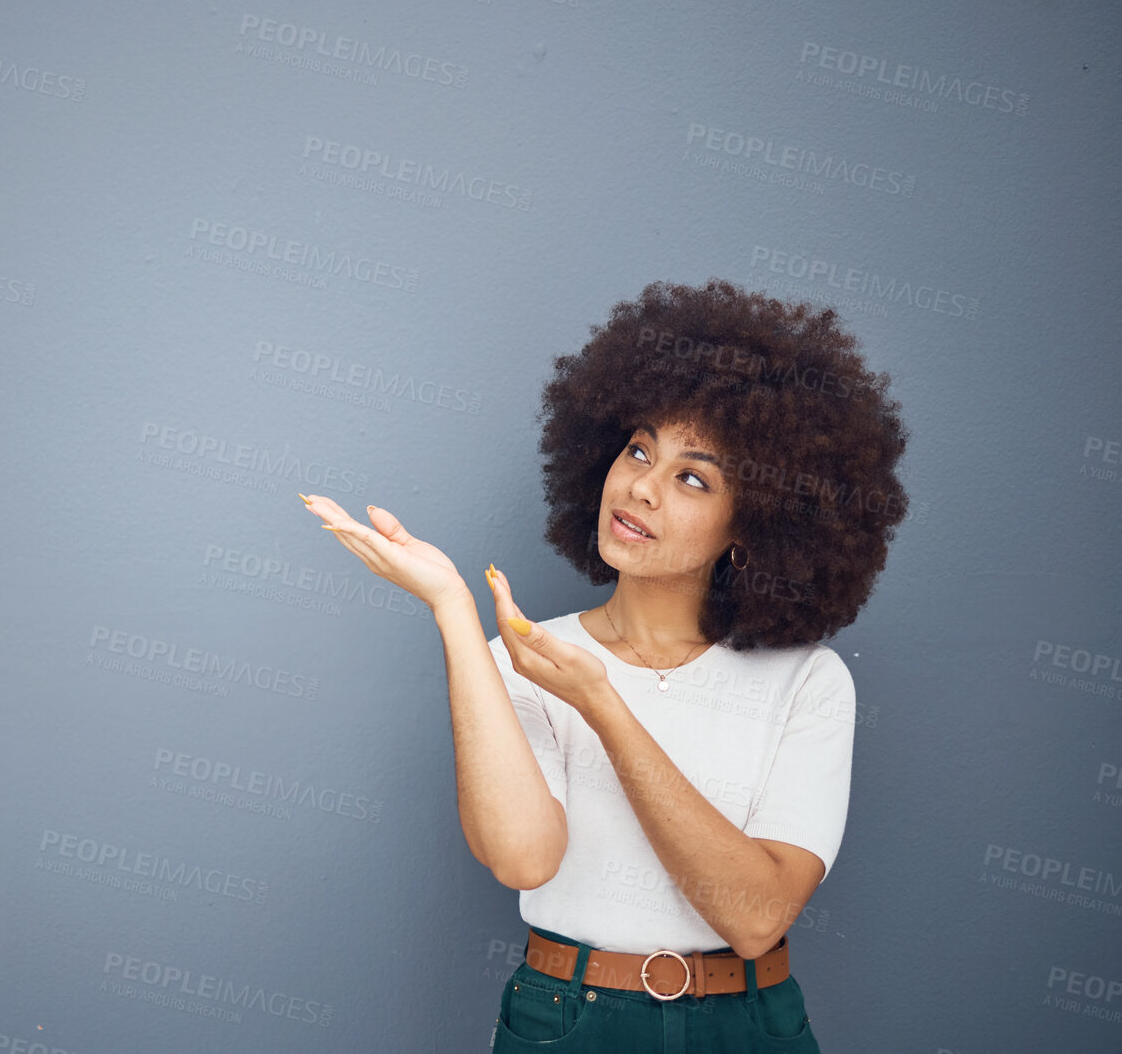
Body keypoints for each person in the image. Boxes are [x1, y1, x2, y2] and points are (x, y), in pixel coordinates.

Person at [302, 279, 908, 1052]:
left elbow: (755, 917)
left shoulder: (808, 680)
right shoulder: (523, 658)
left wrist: (604, 706)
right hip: (565, 1019)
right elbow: (523, 857)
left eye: (692, 477)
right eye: (638, 448)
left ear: (748, 528)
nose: (640, 486)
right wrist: (453, 610)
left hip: (747, 1025)